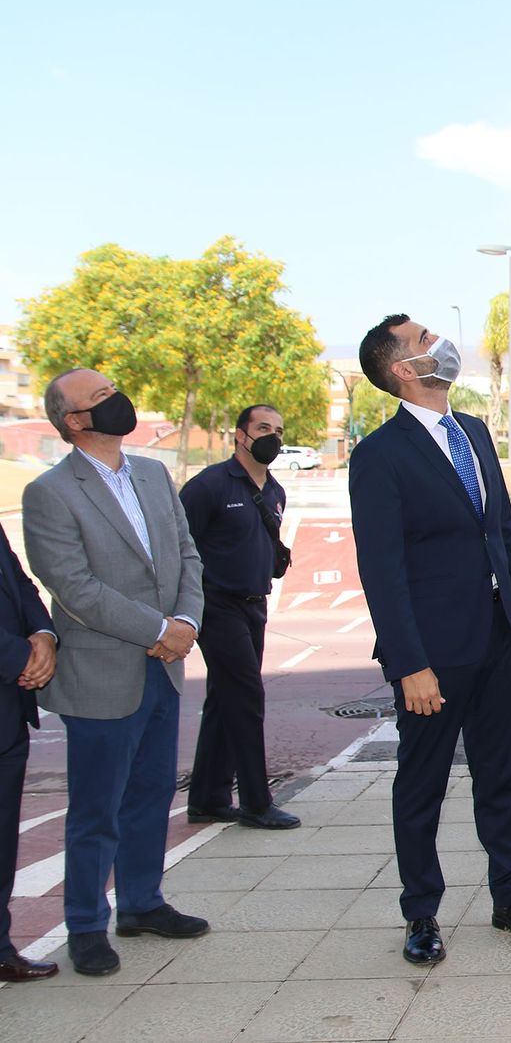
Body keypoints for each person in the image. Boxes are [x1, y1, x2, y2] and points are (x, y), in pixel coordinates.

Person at [349, 314, 511, 965]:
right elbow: (382, 572)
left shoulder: (474, 431)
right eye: (424, 339)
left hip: (495, 639)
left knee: (499, 778)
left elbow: (500, 529)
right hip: (431, 655)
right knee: (422, 785)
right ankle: (421, 914)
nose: (441, 344)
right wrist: (410, 664)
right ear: (403, 370)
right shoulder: (378, 457)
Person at [23, 369, 208, 976]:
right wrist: (160, 631)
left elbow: (185, 554)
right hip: (104, 672)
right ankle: (84, 926)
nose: (116, 401)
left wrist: (185, 620)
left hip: (164, 668)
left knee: (153, 793)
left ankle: (142, 903)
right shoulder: (50, 492)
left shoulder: (153, 473)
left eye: (113, 391)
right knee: (96, 810)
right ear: (74, 421)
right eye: (99, 398)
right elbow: (73, 586)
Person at [179, 404, 300, 830]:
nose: (273, 436)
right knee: (247, 697)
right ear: (240, 435)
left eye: (279, 430)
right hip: (216, 605)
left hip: (255, 604)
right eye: (263, 428)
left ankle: (209, 798)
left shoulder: (275, 491)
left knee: (225, 699)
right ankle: (255, 801)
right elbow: (179, 546)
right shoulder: (209, 485)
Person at [0, 523, 58, 983]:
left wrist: (42, 634)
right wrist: (17, 656)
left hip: (6, 710)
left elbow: (16, 580)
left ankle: (0, 947)